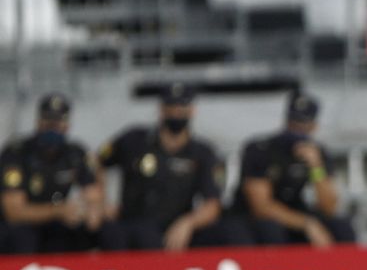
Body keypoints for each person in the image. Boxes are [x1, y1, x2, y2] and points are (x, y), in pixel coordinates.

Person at [98, 82, 251, 252]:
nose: (177, 112)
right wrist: (101, 200)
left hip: (178, 224)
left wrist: (188, 223)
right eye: (172, 106)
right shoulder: (134, 140)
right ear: (162, 109)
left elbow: (212, 204)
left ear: (192, 110)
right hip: (133, 223)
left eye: (182, 106)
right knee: (139, 233)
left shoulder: (203, 152)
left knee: (232, 231)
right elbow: (96, 161)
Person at [231, 93, 357, 246]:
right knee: (270, 229)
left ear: (313, 126)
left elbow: (329, 206)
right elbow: (261, 206)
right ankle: (273, 269)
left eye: (303, 124)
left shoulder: (318, 153)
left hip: (294, 209)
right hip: (253, 217)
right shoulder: (261, 149)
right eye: (294, 122)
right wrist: (306, 223)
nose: (297, 129)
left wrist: (316, 167)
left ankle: (343, 269)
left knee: (342, 227)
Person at [1, 93, 105, 254]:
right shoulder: (17, 153)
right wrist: (57, 211)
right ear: (38, 122)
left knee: (99, 232)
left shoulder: (75, 154)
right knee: (21, 236)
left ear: (66, 125)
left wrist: (89, 211)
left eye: (57, 121)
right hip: (23, 226)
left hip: (57, 224)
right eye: (48, 120)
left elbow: (94, 196)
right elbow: (14, 212)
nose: (52, 126)